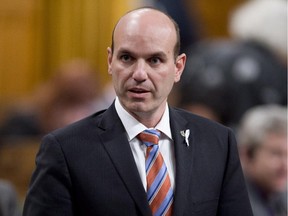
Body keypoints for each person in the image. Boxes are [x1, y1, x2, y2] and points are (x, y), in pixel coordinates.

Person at [23, 7, 253, 215]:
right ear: (110, 61)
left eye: (154, 60)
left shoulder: (218, 143)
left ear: (178, 67)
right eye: (127, 58)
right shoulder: (65, 150)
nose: (139, 74)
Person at [237, 105, 287, 216]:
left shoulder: (280, 194)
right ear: (247, 154)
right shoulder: (233, 203)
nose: (285, 165)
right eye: (276, 154)